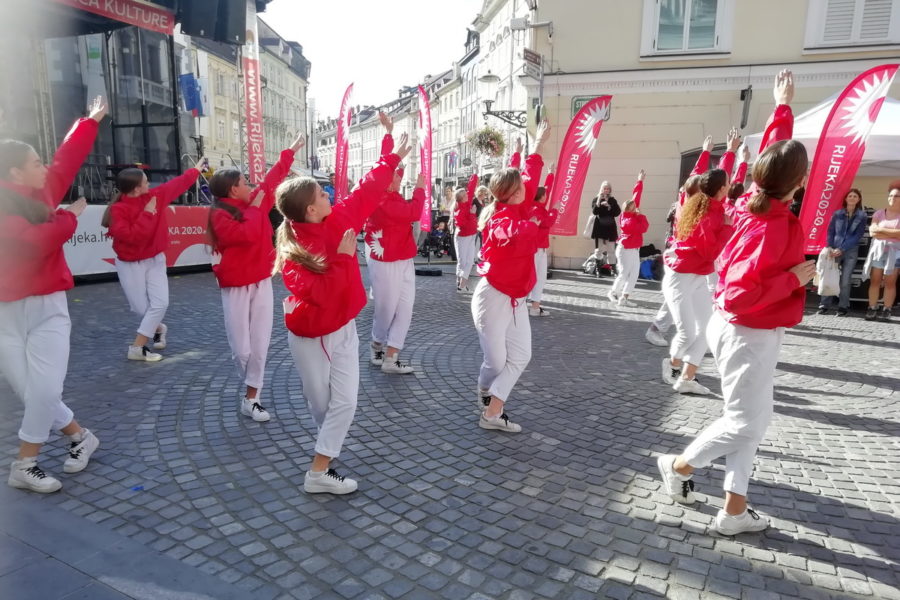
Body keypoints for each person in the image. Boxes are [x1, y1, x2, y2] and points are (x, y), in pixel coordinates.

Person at [657, 69, 814, 536]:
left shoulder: (752, 201)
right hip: (748, 329)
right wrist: (791, 280)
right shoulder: (770, 221)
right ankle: (681, 466)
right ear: (800, 180)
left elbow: (773, 162)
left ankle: (735, 509)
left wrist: (782, 109)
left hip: (746, 329)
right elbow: (747, 292)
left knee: (751, 421)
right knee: (746, 422)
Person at [275, 133, 412, 494]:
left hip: (344, 327)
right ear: (310, 210)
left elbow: (365, 192)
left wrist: (391, 159)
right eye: (322, 195)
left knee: (346, 402)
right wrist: (340, 257)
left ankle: (318, 471)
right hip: (313, 335)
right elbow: (320, 293)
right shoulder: (293, 251)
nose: (329, 196)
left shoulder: (337, 219)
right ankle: (326, 456)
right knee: (323, 406)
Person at [0, 96, 107, 493]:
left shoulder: (42, 189)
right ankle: (80, 436)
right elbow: (28, 244)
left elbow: (66, 159)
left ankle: (24, 463)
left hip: (47, 305)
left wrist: (90, 122)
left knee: (44, 389)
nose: (43, 168)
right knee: (29, 391)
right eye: (34, 164)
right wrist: (68, 217)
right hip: (6, 309)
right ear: (15, 172)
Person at [207, 132, 304, 423]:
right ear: (233, 190)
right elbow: (246, 235)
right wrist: (253, 208)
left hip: (260, 280)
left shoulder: (255, 202)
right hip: (236, 286)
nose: (250, 186)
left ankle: (252, 397)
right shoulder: (219, 214)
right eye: (244, 183)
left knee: (260, 344)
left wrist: (291, 150)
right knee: (242, 350)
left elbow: (273, 178)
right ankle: (250, 387)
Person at [472, 120, 550, 433]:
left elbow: (529, 179)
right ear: (506, 194)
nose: (525, 192)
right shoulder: (499, 221)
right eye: (517, 190)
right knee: (496, 361)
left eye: (522, 188)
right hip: (493, 297)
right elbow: (523, 237)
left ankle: (492, 411)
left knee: (520, 356)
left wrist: (537, 147)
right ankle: (485, 394)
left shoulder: (518, 206)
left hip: (515, 298)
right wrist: (537, 218)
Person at [103, 158, 205, 362]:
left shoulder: (155, 196)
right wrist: (148, 213)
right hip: (130, 263)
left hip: (155, 259)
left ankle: (137, 348)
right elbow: (131, 236)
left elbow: (177, 185)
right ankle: (158, 328)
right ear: (135, 188)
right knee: (141, 309)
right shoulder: (118, 210)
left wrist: (194, 171)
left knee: (160, 304)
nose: (149, 185)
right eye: (146, 182)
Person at [661, 168, 733, 395]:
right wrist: (727, 229)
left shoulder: (713, 209)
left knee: (707, 330)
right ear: (722, 189)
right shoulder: (707, 213)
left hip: (698, 276)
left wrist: (731, 154)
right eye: (728, 183)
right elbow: (710, 251)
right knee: (688, 332)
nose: (730, 185)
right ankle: (672, 365)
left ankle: (686, 378)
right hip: (680, 277)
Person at [364, 112, 425, 374]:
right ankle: (377, 344)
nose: (399, 177)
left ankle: (391, 357)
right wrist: (421, 190)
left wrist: (388, 133)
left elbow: (386, 162)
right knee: (386, 309)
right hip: (385, 260)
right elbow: (412, 213)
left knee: (405, 308)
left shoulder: (394, 196)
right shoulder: (381, 201)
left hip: (403, 259)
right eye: (395, 175)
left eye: (399, 175)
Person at [817, 188, 867, 316]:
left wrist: (842, 248)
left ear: (859, 199)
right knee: (828, 275)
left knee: (845, 279)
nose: (852, 198)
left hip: (850, 251)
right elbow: (831, 231)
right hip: (833, 249)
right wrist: (829, 247)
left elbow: (858, 235)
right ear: (845, 198)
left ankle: (843, 307)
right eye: (850, 196)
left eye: (855, 196)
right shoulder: (837, 214)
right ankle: (824, 305)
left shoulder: (862, 215)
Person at [608, 171, 648, 308]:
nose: (636, 207)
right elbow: (643, 228)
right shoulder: (628, 220)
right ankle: (613, 292)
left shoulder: (632, 214)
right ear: (629, 209)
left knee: (634, 274)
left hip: (634, 249)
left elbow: (636, 196)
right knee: (625, 273)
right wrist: (641, 215)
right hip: (626, 249)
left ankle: (624, 298)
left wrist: (640, 181)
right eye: (634, 207)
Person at [863, 186, 900, 320]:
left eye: (896, 196)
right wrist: (894, 234)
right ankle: (872, 307)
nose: (892, 198)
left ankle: (887, 309)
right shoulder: (879, 213)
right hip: (878, 251)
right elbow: (873, 232)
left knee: (890, 282)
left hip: (895, 253)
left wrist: (882, 231)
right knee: (875, 281)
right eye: (890, 196)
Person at [528, 165, 558, 317]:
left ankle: (534, 306)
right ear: (541, 197)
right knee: (536, 278)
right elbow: (548, 223)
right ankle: (531, 307)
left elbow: (547, 188)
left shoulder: (538, 206)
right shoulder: (536, 210)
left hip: (539, 248)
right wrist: (555, 210)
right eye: (545, 195)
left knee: (539, 278)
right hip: (536, 249)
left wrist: (551, 174)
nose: (547, 196)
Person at [453, 174, 479, 293]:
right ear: (462, 197)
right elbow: (461, 224)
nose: (468, 194)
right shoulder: (460, 209)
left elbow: (471, 188)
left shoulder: (466, 203)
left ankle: (461, 284)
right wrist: (472, 214)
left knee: (467, 261)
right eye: (466, 194)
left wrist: (474, 176)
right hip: (463, 237)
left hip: (470, 235)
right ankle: (461, 285)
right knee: (464, 261)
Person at [589, 181, 620, 270]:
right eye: (604, 188)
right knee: (599, 250)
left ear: (610, 190)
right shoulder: (596, 199)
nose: (606, 190)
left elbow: (617, 212)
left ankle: (612, 269)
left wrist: (609, 206)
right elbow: (594, 212)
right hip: (599, 227)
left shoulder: (612, 200)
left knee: (611, 249)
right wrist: (599, 201)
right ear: (601, 189)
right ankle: (597, 268)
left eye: (608, 189)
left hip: (610, 228)